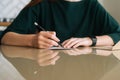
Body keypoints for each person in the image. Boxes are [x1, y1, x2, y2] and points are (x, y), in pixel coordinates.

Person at [1, 0, 120, 49]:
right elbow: (6, 37)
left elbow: (118, 34)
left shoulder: (92, 5)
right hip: (45, 69)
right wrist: (32, 40)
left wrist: (90, 40)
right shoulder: (41, 3)